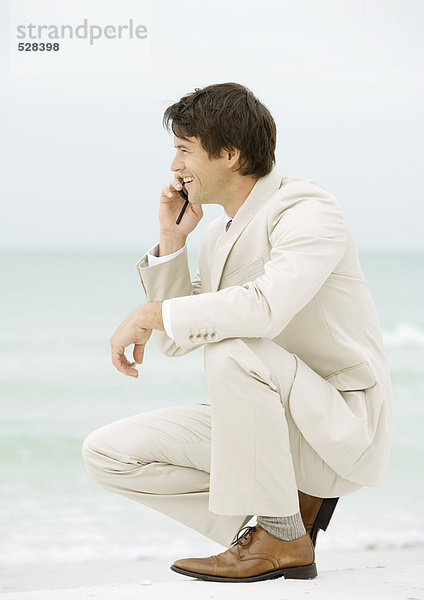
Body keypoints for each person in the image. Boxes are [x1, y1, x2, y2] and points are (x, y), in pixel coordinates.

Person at [82, 82, 393, 583]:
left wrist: (149, 313)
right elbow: (179, 338)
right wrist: (172, 241)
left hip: (335, 421)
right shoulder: (218, 234)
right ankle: (279, 524)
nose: (174, 165)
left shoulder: (307, 208)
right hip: (265, 418)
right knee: (107, 453)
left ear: (230, 153)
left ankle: (279, 534)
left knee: (233, 349)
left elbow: (264, 310)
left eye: (184, 150)